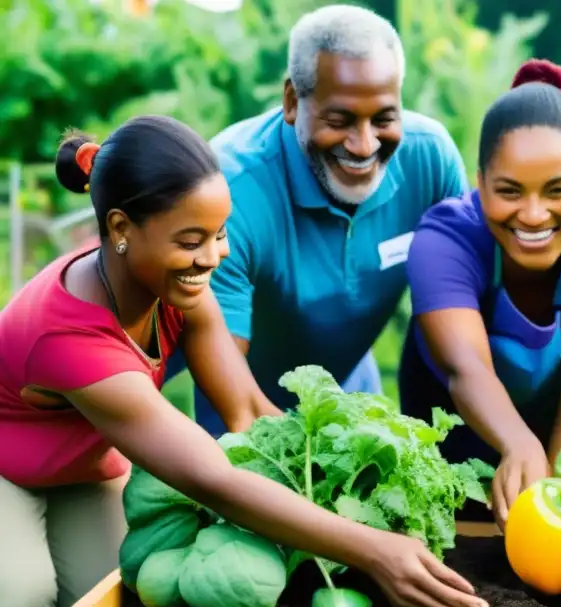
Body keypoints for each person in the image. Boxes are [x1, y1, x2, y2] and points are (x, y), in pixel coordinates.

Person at [0, 116, 486, 607]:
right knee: (21, 600)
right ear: (120, 230)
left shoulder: (175, 283)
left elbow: (248, 416)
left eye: (221, 233)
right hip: (9, 468)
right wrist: (374, 549)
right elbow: (211, 476)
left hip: (84, 464)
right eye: (192, 240)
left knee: (107, 604)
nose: (215, 255)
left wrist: (334, 490)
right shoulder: (70, 335)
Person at [165, 4, 468, 437]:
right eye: (339, 120)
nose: (364, 146)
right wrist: (306, 461)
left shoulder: (430, 160)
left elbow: (462, 313)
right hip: (242, 411)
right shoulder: (229, 188)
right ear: (292, 101)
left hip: (350, 393)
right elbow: (226, 376)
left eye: (383, 118)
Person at [399, 60, 561, 526]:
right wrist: (517, 443)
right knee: (458, 529)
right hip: (460, 404)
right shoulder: (444, 240)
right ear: (480, 182)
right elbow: (467, 369)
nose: (534, 215)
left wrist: (551, 512)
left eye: (557, 189)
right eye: (510, 191)